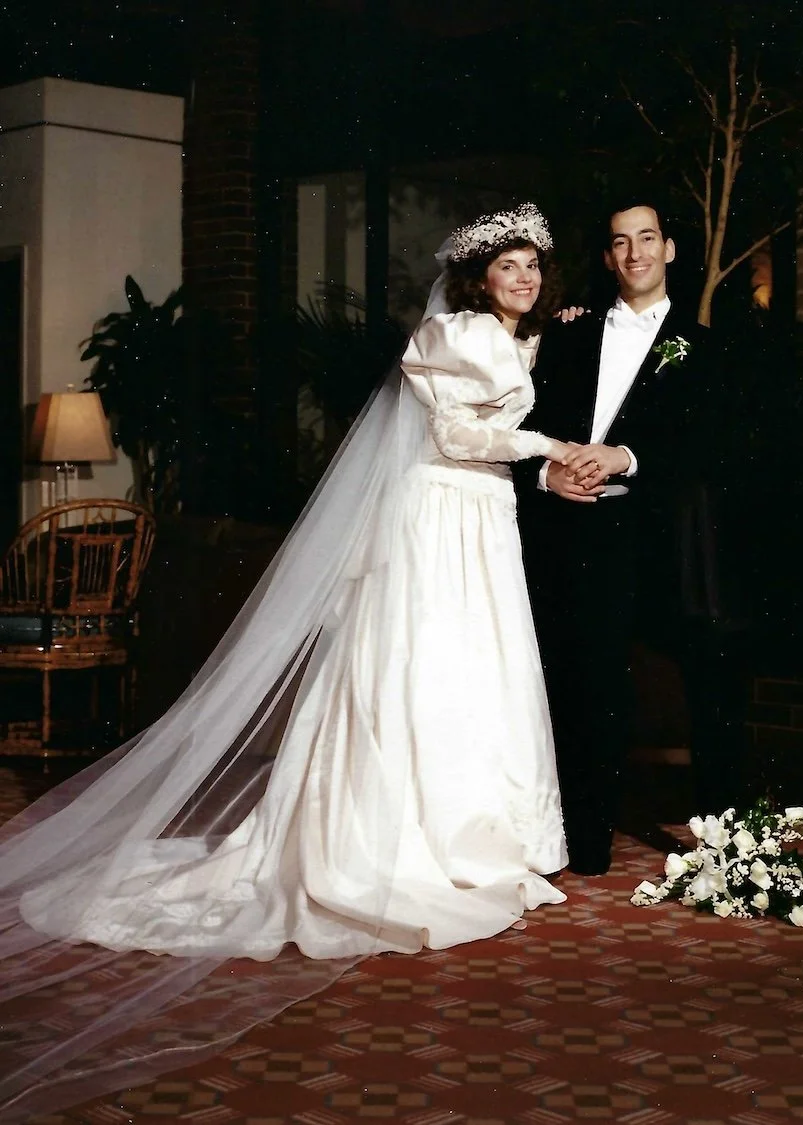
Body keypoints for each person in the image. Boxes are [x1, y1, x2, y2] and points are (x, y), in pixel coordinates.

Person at [0, 203, 579, 1120]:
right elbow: (458, 438)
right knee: (427, 667)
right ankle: (413, 842)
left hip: (487, 520)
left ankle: (481, 837)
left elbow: (505, 407)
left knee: (482, 669)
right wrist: (552, 445)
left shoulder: (516, 336)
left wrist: (545, 405)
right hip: (440, 516)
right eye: (509, 267)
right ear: (477, 276)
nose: (524, 280)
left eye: (534, 268)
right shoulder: (451, 332)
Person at [514, 198, 747, 877]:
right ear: (608, 255)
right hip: (580, 539)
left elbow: (711, 444)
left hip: (664, 544)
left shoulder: (706, 347)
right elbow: (524, 425)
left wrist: (628, 455)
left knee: (704, 684)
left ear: (669, 249)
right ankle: (583, 845)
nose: (635, 253)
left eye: (648, 238)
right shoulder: (568, 333)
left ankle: (723, 848)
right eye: (621, 242)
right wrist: (546, 478)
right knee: (587, 693)